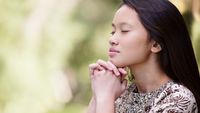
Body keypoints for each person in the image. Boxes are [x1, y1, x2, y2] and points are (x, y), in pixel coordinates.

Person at [87, 0, 200, 113]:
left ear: (156, 44)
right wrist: (98, 95)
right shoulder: (121, 94)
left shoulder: (179, 100)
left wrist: (104, 97)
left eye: (125, 30)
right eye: (113, 32)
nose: (112, 39)